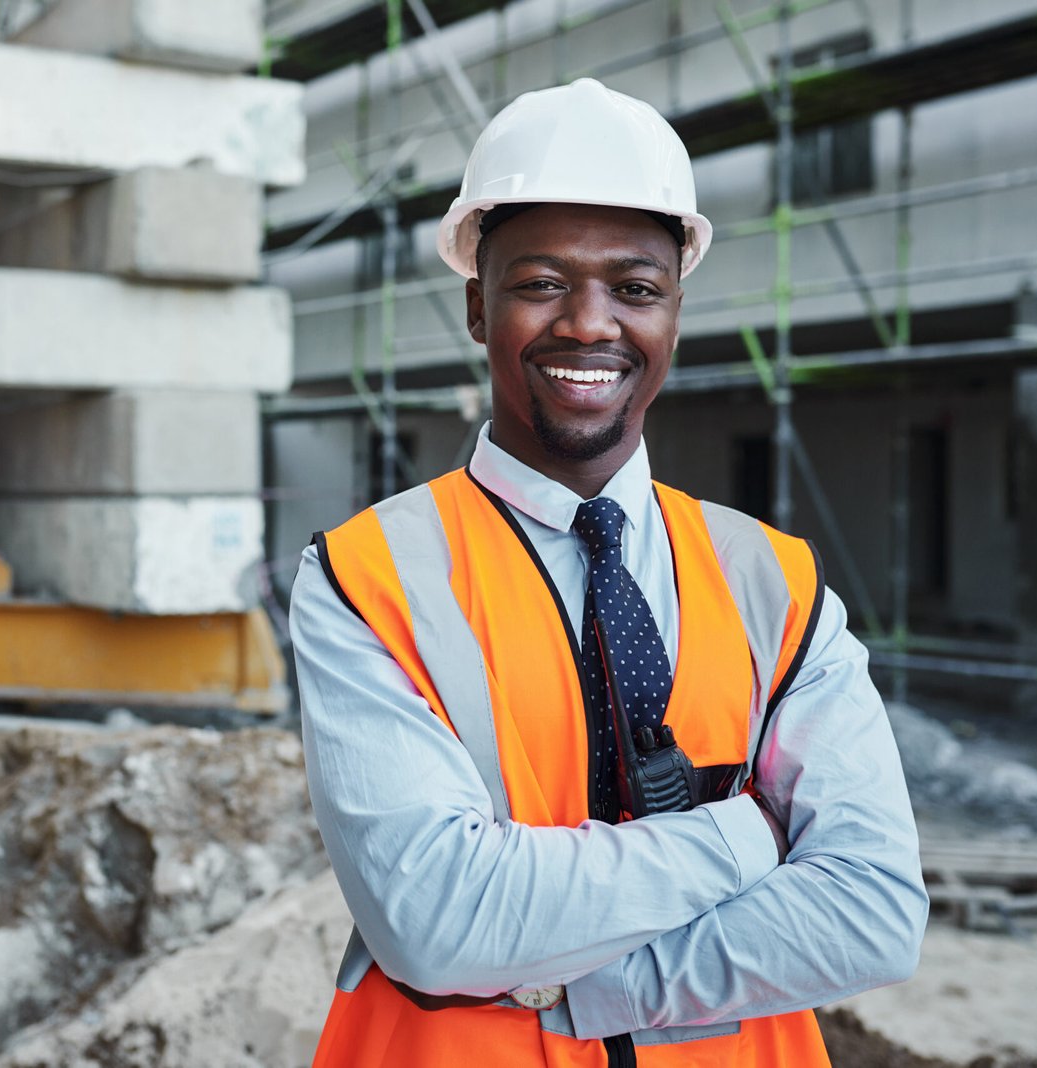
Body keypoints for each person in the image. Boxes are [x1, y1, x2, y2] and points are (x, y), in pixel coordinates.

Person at [289, 78, 927, 1067]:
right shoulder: (364, 576)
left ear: (673, 311)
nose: (589, 324)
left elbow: (873, 911)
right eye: (541, 282)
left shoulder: (776, 582)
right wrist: (749, 839)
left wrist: (594, 989)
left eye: (635, 288)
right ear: (475, 304)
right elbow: (437, 920)